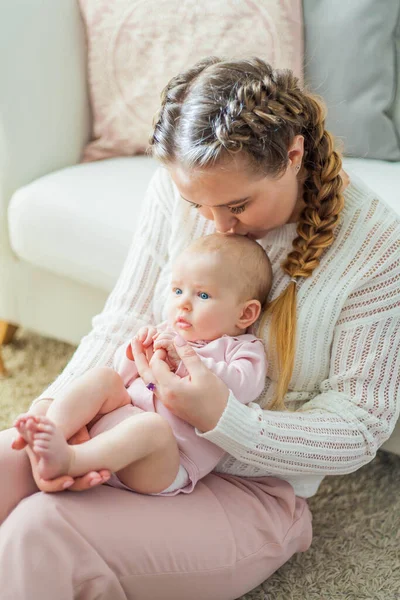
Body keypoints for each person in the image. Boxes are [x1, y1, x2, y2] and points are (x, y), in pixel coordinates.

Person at [0, 56, 399, 600]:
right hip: (127, 431)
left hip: (252, 490)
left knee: (40, 531)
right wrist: (54, 414)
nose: (217, 225)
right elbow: (124, 318)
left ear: (293, 155)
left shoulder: (377, 247)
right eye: (197, 204)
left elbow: (360, 426)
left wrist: (222, 418)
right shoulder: (181, 192)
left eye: (237, 204)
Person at [12, 233, 271, 496]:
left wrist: (187, 360)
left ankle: (69, 460)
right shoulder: (167, 331)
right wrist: (136, 351)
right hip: (118, 424)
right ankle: (52, 431)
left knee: (152, 427)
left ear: (245, 313)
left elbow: (242, 388)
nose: (183, 303)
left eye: (202, 295)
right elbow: (122, 377)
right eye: (178, 290)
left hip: (165, 459)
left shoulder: (244, 349)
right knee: (104, 377)